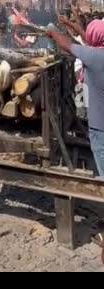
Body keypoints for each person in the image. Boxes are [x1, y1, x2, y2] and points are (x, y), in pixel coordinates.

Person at [48, 20, 104, 177]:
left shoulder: (94, 57)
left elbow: (66, 45)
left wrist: (52, 32)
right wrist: (72, 25)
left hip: (100, 129)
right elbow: (90, 38)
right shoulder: (95, 53)